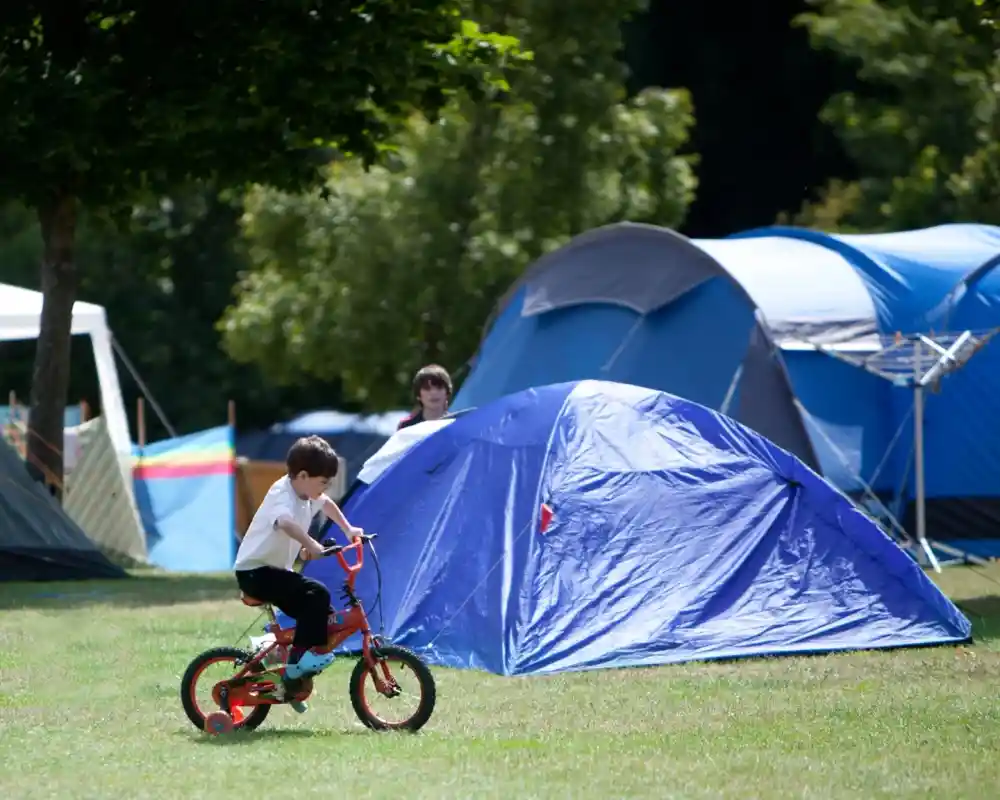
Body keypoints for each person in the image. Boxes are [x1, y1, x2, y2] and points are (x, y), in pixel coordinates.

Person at [234, 435, 363, 682]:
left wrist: (348, 530)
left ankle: (286, 672)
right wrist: (311, 544)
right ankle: (297, 661)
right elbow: (285, 523)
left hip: (273, 572)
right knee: (317, 593)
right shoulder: (282, 493)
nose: (325, 488)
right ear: (302, 476)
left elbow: (327, 505)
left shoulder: (307, 495)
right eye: (323, 482)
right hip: (255, 572)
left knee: (323, 614)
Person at [397, 364, 453, 431]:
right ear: (418, 395)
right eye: (427, 388)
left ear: (447, 393)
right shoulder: (407, 427)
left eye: (439, 388)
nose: (433, 392)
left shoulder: (456, 424)